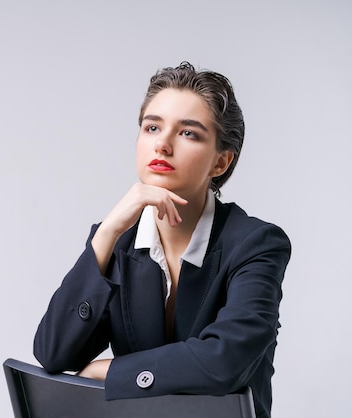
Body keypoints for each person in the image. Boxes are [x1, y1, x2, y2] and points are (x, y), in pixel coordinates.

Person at [33, 62, 291, 418]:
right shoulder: (118, 241)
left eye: (188, 133)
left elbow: (225, 360)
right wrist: (107, 232)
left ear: (221, 162)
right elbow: (53, 352)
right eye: (152, 127)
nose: (163, 145)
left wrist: (106, 372)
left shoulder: (256, 244)